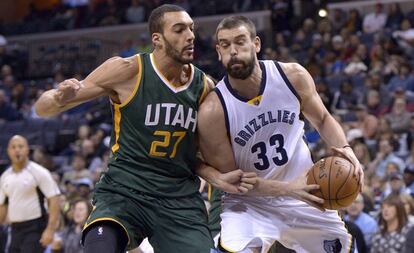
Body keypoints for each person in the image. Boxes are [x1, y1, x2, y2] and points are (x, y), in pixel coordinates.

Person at [34, 4, 255, 253]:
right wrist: (60, 97)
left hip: (178, 199)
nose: (191, 35)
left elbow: (198, 157)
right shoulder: (128, 70)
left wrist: (215, 177)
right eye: (180, 30)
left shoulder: (204, 88)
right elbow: (42, 109)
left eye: (191, 29)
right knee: (100, 245)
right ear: (157, 40)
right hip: (125, 191)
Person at [197, 15, 364, 253]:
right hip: (249, 203)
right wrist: (287, 189)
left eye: (240, 42)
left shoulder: (291, 76)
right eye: (225, 45)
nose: (233, 51)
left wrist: (347, 150)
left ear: (256, 44)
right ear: (218, 51)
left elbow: (324, 119)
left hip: (306, 194)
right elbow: (236, 182)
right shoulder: (213, 111)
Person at [0, 135, 61, 253]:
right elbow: (3, 206)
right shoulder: (4, 177)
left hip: (35, 227)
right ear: (8, 151)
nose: (17, 150)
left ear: (27, 149)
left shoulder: (39, 172)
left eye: (20, 146)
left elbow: (54, 199)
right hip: (14, 228)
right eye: (13, 147)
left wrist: (50, 229)